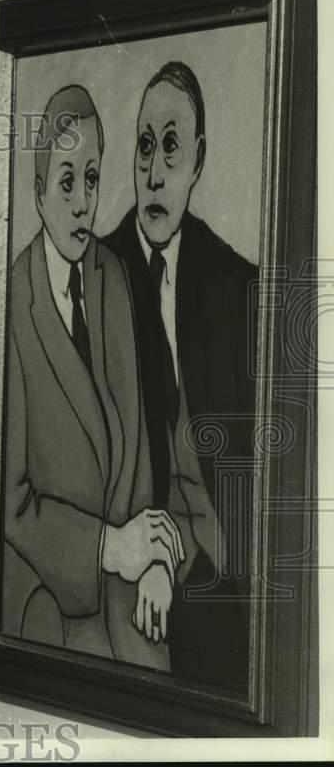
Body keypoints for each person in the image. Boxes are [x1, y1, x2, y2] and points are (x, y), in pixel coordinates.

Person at [1, 85, 219, 670]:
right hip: (51, 604)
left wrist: (156, 558)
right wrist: (109, 547)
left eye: (92, 179)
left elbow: (156, 448)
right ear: (39, 189)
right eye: (66, 181)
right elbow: (10, 500)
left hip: (128, 595)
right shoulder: (13, 305)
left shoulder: (113, 278)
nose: (82, 203)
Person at [103, 61, 257, 693]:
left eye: (171, 147)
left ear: (198, 160)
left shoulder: (236, 283)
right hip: (141, 574)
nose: (155, 171)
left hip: (233, 571)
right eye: (144, 147)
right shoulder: (99, 276)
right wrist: (160, 557)